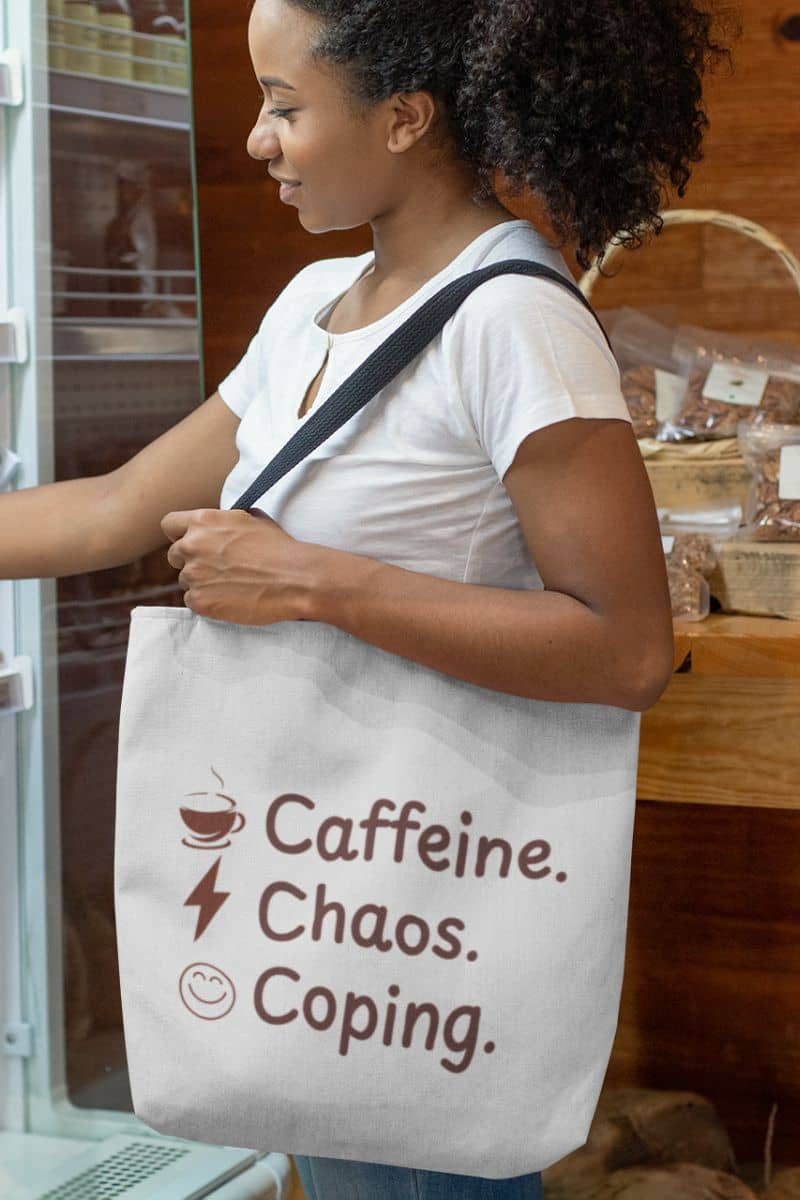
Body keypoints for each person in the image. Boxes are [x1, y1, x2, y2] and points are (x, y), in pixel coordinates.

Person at [1, 0, 738, 1195]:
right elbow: (115, 508)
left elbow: (623, 649)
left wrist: (314, 584)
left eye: (285, 107)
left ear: (403, 117)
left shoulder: (516, 320)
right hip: (320, 888)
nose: (255, 139)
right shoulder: (311, 307)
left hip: (417, 895)